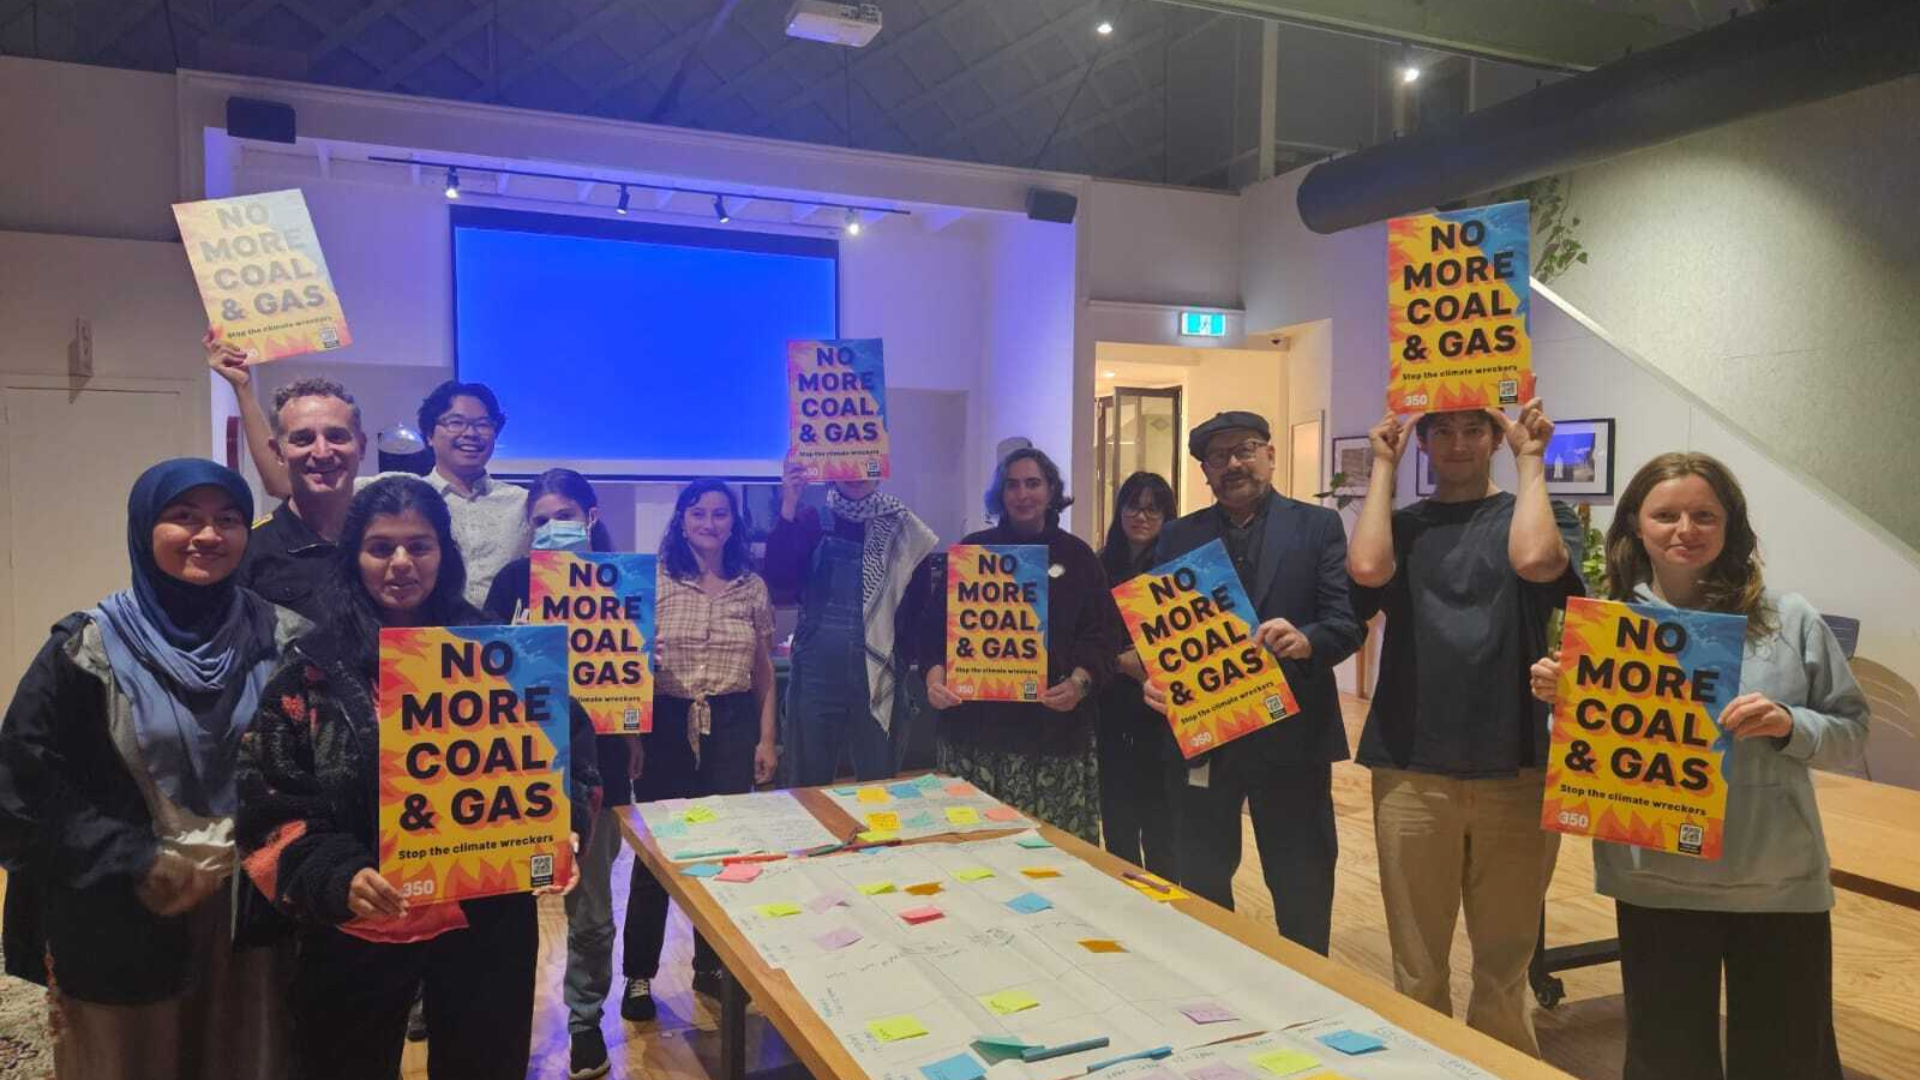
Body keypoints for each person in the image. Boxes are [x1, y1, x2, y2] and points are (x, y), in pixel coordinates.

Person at [234, 476, 597, 1080]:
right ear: (355, 557)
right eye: (381, 547)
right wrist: (335, 874)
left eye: (418, 546)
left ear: (443, 555)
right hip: (362, 926)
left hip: (486, 923)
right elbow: (268, 801)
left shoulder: (500, 652)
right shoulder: (312, 669)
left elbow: (570, 754)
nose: (400, 563)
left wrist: (564, 825)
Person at [1528, 452, 1868, 1080]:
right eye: (1666, 515)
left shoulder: (1788, 620)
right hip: (1656, 878)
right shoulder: (1610, 630)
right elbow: (1586, 757)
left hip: (1775, 879)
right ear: (1635, 525)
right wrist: (1562, 704)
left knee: (1787, 1059)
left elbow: (1851, 732)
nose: (1685, 529)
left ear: (1730, 525)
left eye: (1704, 515)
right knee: (1667, 1059)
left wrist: (1792, 725)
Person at [0, 459, 306, 1079]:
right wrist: (133, 859)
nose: (208, 535)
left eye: (228, 520)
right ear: (144, 530)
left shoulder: (286, 638)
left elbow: (318, 769)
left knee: (247, 1058)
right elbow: (20, 788)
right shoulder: (85, 649)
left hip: (251, 910)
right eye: (183, 517)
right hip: (125, 907)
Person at [1345, 401, 1583, 1055]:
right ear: (1421, 442)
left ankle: (1501, 1068)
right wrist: (1384, 467)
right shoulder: (1402, 527)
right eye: (1441, 431)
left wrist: (1532, 458)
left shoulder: (1541, 517)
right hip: (1412, 760)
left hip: (1518, 762)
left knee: (1505, 969)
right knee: (1417, 967)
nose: (1457, 443)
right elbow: (1365, 572)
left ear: (1494, 438)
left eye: (1473, 429)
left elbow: (1537, 562)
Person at [1142, 413, 1364, 955]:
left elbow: (1346, 621)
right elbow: (1164, 632)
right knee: (1202, 879)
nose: (1233, 464)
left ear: (1269, 453)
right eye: (1219, 457)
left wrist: (1307, 639)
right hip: (1207, 735)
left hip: (1292, 736)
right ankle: (1216, 990)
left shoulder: (1318, 527)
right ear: (1205, 471)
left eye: (1244, 450)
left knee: (1302, 883)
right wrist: (1155, 678)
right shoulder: (1177, 535)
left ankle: (1311, 995)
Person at [481, 468, 639, 1080]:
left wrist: (630, 736)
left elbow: (632, 677)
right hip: (519, 768)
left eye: (563, 515)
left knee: (593, 909)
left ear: (591, 518)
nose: (551, 528)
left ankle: (585, 1023)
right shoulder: (511, 581)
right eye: (540, 519)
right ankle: (498, 1023)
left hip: (596, 767)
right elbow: (481, 667)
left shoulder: (623, 580)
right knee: (505, 911)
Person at [621, 479, 779, 1022]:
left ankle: (712, 966)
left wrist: (766, 737)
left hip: (733, 725)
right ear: (681, 520)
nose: (710, 523)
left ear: (734, 523)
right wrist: (634, 737)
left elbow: (763, 671)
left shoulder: (751, 586)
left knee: (723, 851)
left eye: (720, 514)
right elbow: (628, 664)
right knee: (658, 856)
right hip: (665, 722)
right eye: (699, 513)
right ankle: (639, 974)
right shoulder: (654, 581)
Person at [922, 448, 1125, 845]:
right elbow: (932, 630)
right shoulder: (972, 552)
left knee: (1053, 861)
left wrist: (1080, 683)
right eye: (1012, 484)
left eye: (1033, 483)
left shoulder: (1078, 558)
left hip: (1052, 738)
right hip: (975, 737)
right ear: (1001, 493)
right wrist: (934, 679)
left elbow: (1103, 636)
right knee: (975, 858)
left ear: (1051, 490)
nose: (1022, 494)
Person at [764, 463, 938, 785]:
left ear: (880, 467)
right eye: (847, 464)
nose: (855, 474)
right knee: (807, 783)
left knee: (878, 783)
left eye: (864, 463)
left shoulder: (905, 528)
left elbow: (920, 607)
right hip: (816, 671)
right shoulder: (811, 520)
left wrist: (899, 656)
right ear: (830, 467)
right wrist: (788, 504)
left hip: (880, 671)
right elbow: (779, 582)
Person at [208, 333, 368, 622]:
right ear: (278, 453)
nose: (322, 452)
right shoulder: (247, 551)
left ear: (362, 447)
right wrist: (241, 386)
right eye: (303, 439)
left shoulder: (388, 541)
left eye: (336, 436)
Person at [1093, 471, 1181, 879]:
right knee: (1118, 817)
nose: (1141, 516)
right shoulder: (1098, 566)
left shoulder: (1178, 570)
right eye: (1133, 505)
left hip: (1162, 713)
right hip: (1110, 707)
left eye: (1153, 508)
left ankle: (1166, 906)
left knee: (1162, 822)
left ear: (1167, 514)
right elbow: (1084, 635)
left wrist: (1150, 661)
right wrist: (1119, 661)